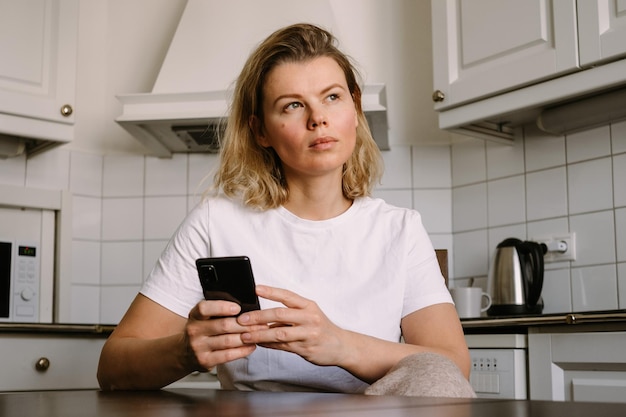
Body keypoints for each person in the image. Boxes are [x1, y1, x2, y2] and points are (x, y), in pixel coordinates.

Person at [97, 23, 474, 397]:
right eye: (293, 105)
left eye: (332, 97)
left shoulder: (400, 230)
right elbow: (112, 366)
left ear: (355, 107)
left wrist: (340, 344)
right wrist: (184, 352)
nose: (317, 119)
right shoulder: (216, 222)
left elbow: (451, 365)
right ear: (261, 131)